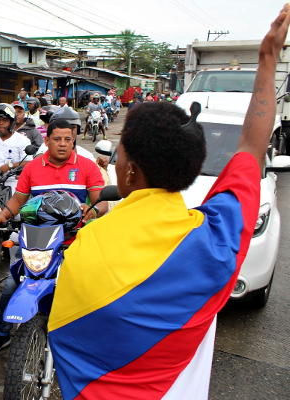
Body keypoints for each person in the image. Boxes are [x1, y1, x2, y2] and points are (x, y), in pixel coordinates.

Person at [47, 7, 290, 399]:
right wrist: (268, 60)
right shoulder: (216, 240)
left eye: (120, 152)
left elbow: (64, 336)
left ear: (129, 173)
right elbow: (250, 147)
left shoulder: (87, 245)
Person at [0, 118, 106, 357]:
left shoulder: (87, 166)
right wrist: (2, 215)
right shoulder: (33, 167)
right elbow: (18, 200)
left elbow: (101, 202)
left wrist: (91, 210)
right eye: (56, 139)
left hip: (72, 241)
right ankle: (2, 332)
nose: (62, 144)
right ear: (46, 140)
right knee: (11, 285)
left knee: (87, 289)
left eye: (67, 139)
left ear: (73, 141)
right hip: (36, 241)